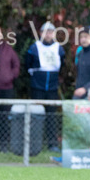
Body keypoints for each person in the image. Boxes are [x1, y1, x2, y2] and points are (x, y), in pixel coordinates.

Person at [24, 21, 65, 151]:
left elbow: (62, 64)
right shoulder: (34, 48)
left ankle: (52, 144)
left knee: (51, 116)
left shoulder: (59, 48)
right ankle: (35, 143)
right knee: (36, 115)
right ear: (41, 33)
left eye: (51, 32)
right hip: (37, 86)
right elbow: (28, 63)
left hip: (52, 87)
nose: (48, 34)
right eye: (45, 31)